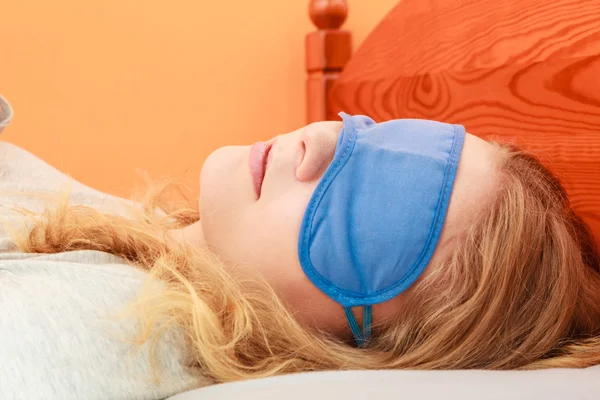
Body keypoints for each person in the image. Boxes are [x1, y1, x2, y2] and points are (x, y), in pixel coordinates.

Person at [1, 94, 599, 399]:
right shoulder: (139, 233)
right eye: (377, 134)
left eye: (366, 211)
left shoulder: (110, 321)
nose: (318, 137)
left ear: (353, 351)